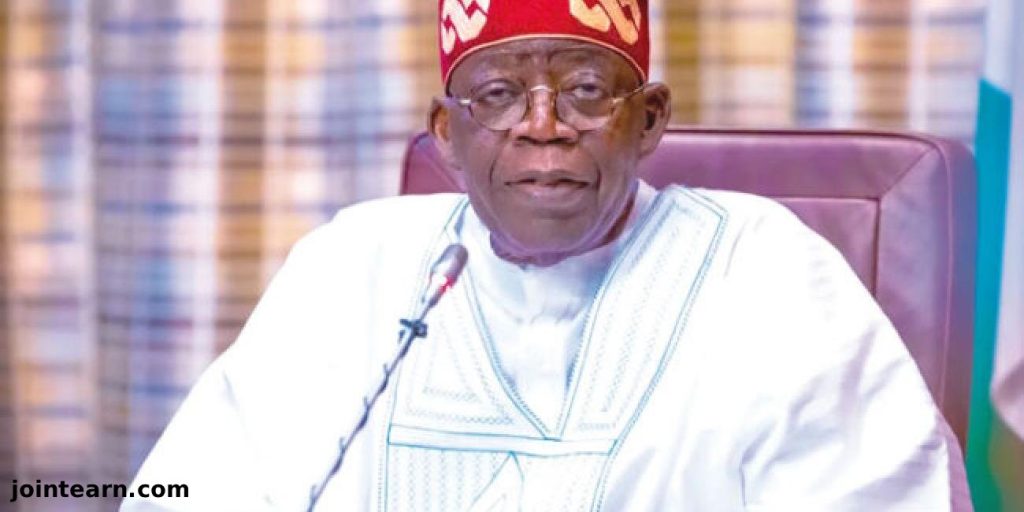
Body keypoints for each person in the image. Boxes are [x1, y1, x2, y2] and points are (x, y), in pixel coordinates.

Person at [122, 1, 972, 510]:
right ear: (447, 134)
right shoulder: (352, 268)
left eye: (587, 91)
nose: (542, 125)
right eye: (498, 95)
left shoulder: (769, 274)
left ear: (650, 119)